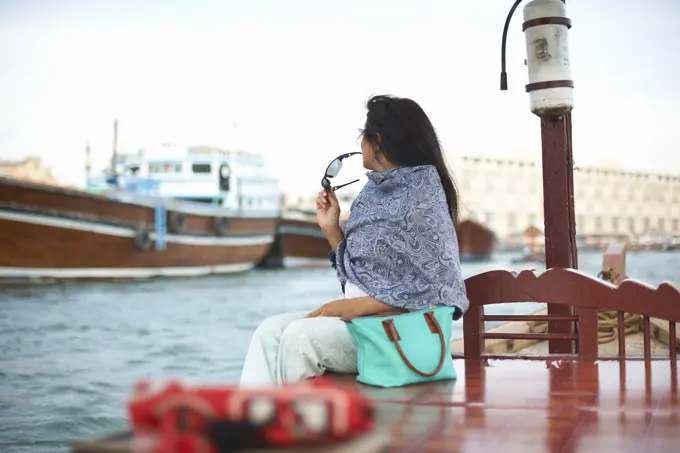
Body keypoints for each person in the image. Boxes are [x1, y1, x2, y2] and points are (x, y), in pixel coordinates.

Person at [239, 94, 469, 387]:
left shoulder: (422, 197)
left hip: (404, 332)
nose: (360, 145)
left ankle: (302, 428)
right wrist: (330, 228)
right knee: (268, 332)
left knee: (300, 337)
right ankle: (249, 423)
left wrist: (350, 308)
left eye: (363, 135)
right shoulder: (376, 192)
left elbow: (432, 293)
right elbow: (362, 274)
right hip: (364, 322)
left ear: (379, 141)